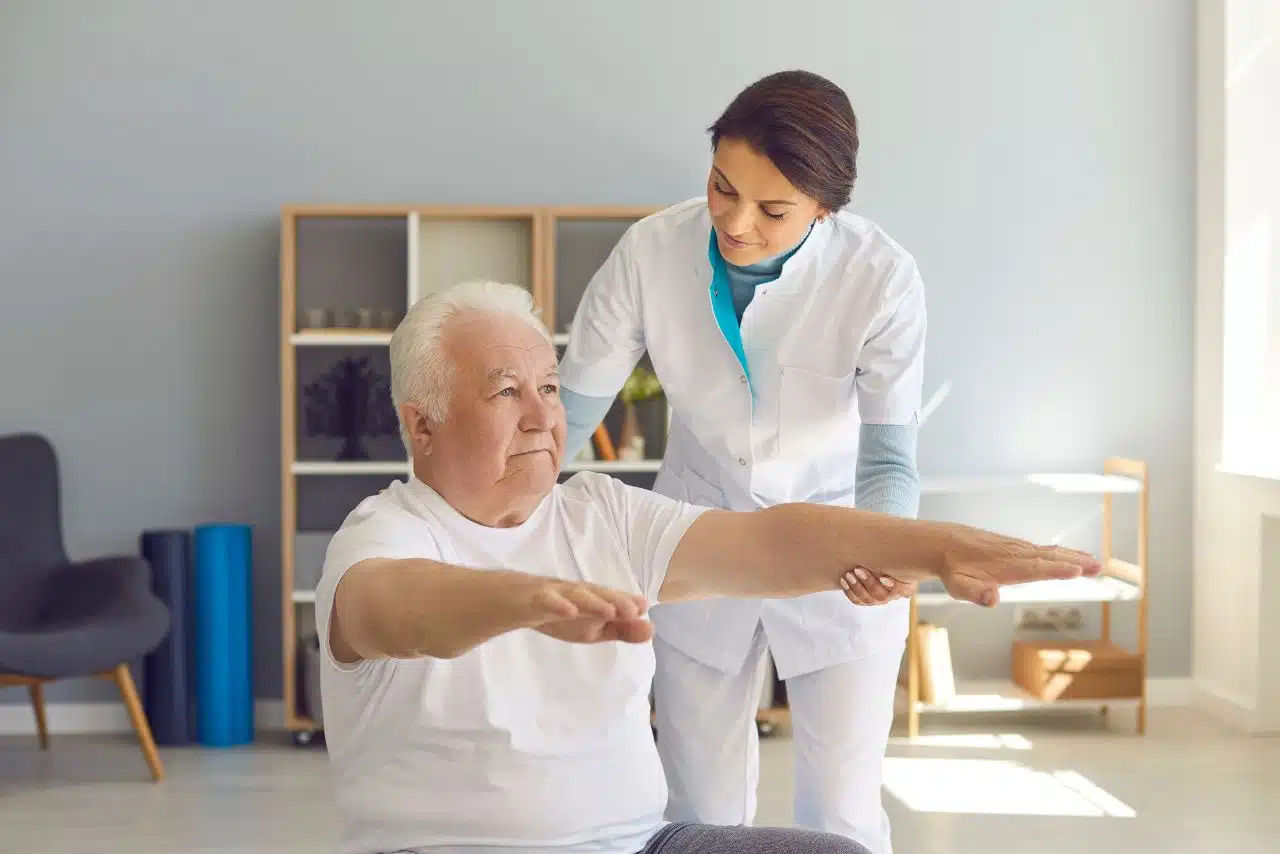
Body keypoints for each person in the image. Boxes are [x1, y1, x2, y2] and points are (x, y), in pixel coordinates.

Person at [314, 280, 1100, 854]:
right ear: (422, 424)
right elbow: (405, 610)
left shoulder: (602, 512)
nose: (542, 416)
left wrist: (936, 547)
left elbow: (773, 543)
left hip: (640, 846)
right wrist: (525, 599)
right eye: (506, 392)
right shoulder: (381, 536)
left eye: (550, 387)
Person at [556, 69, 924, 852]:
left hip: (838, 558)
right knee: (700, 807)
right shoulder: (651, 252)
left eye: (773, 208)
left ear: (826, 208)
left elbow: (890, 463)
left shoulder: (881, 278)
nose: (737, 222)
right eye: (723, 188)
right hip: (699, 537)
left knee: (845, 814)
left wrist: (889, 546)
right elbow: (568, 417)